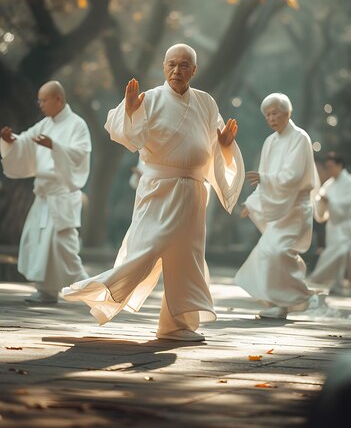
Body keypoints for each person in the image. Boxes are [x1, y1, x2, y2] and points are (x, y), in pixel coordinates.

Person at [62, 43, 245, 342]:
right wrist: (131, 111)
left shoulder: (206, 102)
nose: (177, 70)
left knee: (188, 257)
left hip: (194, 191)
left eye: (184, 65)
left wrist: (224, 146)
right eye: (171, 64)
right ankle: (100, 290)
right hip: (159, 188)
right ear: (163, 66)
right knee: (147, 247)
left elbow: (213, 145)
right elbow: (129, 137)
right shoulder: (151, 98)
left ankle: (175, 325)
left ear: (194, 70)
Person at [0, 81, 91, 304]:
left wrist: (56, 147)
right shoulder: (45, 124)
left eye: (44, 100)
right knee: (39, 241)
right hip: (43, 195)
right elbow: (27, 141)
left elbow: (81, 153)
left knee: (64, 246)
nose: (40, 104)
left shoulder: (77, 125)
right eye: (39, 100)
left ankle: (90, 289)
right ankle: (48, 291)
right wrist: (12, 141)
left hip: (61, 194)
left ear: (58, 99)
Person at [234, 92, 321, 319]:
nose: (271, 118)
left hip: (295, 208)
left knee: (279, 252)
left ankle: (303, 296)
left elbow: (292, 175)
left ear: (287, 112)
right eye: (267, 115)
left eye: (275, 113)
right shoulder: (269, 142)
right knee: (266, 253)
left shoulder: (300, 138)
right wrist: (252, 203)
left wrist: (266, 178)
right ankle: (279, 304)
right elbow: (263, 180)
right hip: (277, 208)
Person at [309, 153, 351, 295]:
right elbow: (321, 202)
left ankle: (328, 280)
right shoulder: (329, 184)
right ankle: (336, 283)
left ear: (339, 166)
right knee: (335, 251)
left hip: (346, 224)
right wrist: (322, 200)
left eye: (331, 167)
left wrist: (331, 202)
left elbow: (348, 203)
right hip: (333, 225)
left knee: (342, 251)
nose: (329, 170)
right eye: (327, 167)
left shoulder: (349, 182)